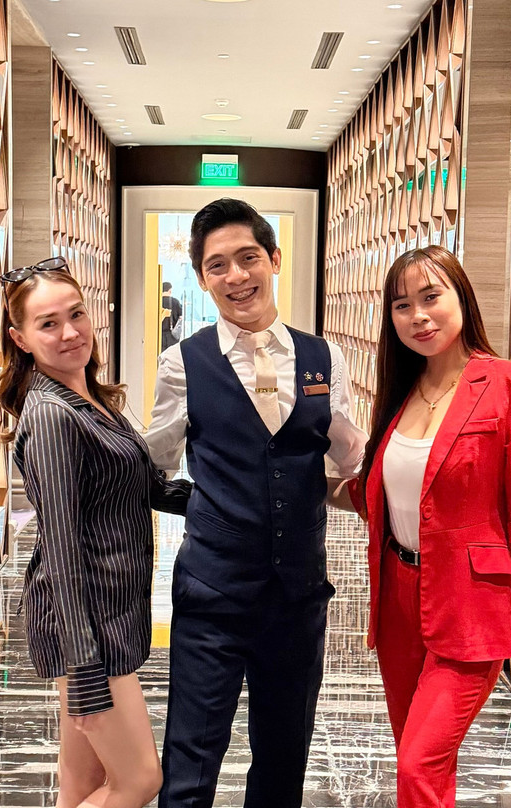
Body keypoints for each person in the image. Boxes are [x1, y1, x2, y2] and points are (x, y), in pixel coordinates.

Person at [144, 198, 367, 808]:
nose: (236, 276)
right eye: (217, 265)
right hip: (211, 594)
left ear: (274, 258)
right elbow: (155, 462)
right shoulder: (182, 363)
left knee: (283, 761)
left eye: (248, 258)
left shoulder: (324, 358)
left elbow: (343, 457)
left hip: (298, 596)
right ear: (202, 279)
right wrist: (202, 507)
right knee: (190, 764)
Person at [350, 245, 511, 807]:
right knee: (420, 765)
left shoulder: (510, 385)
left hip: (472, 602)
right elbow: (384, 491)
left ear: (462, 299)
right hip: (398, 597)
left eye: (431, 297)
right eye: (402, 305)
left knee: (418, 764)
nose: (418, 316)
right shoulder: (401, 391)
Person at [0, 257, 191, 808]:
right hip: (85, 626)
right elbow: (61, 547)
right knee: (139, 780)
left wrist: (228, 504)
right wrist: (82, 663)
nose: (70, 332)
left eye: (76, 314)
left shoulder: (92, 400)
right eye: (48, 323)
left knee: (81, 788)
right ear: (21, 339)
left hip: (108, 613)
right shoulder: (52, 416)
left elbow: (147, 488)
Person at [161, 281, 183, 351]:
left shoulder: (157, 302)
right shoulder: (175, 302)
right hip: (172, 335)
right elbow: (181, 317)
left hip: (159, 334)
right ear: (170, 290)